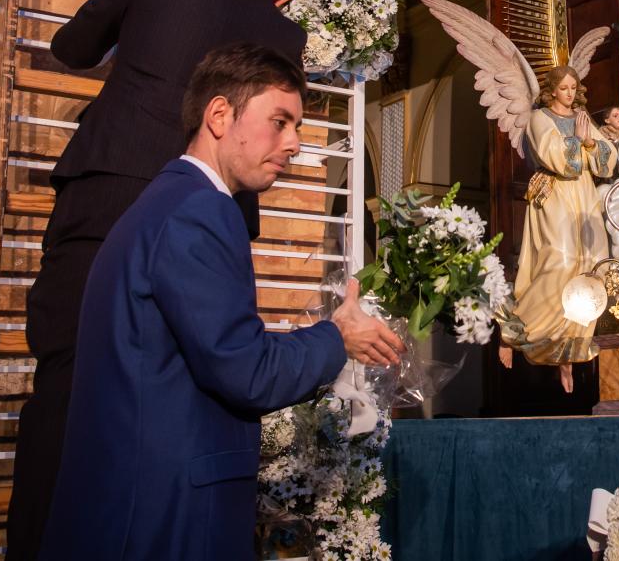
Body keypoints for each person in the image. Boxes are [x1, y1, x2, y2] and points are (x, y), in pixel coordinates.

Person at [39, 43, 403, 561]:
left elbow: (208, 352)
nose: (295, 143)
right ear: (218, 115)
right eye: (280, 121)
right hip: (164, 517)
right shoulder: (199, 211)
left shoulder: (170, 200)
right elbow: (246, 370)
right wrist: (337, 335)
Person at [9, 0, 309, 561]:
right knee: (176, 403)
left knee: (66, 381)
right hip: (210, 212)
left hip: (109, 187)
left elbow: (71, 48)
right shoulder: (283, 33)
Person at [497, 65, 616, 392]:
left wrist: (591, 144)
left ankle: (569, 352)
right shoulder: (540, 118)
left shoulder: (582, 117)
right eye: (563, 88)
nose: (570, 94)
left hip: (584, 195)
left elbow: (607, 160)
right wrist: (579, 142)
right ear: (551, 91)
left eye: (573, 88)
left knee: (589, 268)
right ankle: (512, 332)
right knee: (558, 264)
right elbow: (556, 158)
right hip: (556, 194)